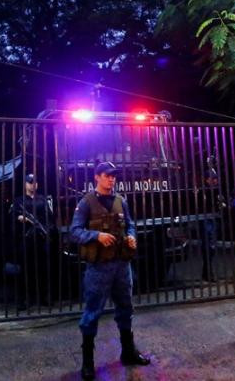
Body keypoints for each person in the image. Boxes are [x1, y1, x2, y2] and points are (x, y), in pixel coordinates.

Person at [70, 162, 149, 381]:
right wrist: (96, 236)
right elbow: (74, 231)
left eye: (113, 176)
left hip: (122, 265)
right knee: (92, 312)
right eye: (107, 176)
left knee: (126, 308)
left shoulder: (120, 201)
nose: (111, 180)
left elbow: (131, 224)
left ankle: (128, 351)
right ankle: (88, 362)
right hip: (99, 268)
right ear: (97, 177)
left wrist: (132, 236)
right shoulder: (86, 203)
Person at [11, 173, 55, 307]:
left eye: (35, 182)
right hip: (26, 238)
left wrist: (47, 230)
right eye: (30, 182)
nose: (33, 184)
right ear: (25, 184)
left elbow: (50, 217)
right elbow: (12, 217)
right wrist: (20, 218)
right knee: (25, 269)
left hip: (41, 238)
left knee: (43, 269)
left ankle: (43, 297)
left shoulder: (42, 200)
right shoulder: (19, 201)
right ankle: (25, 299)